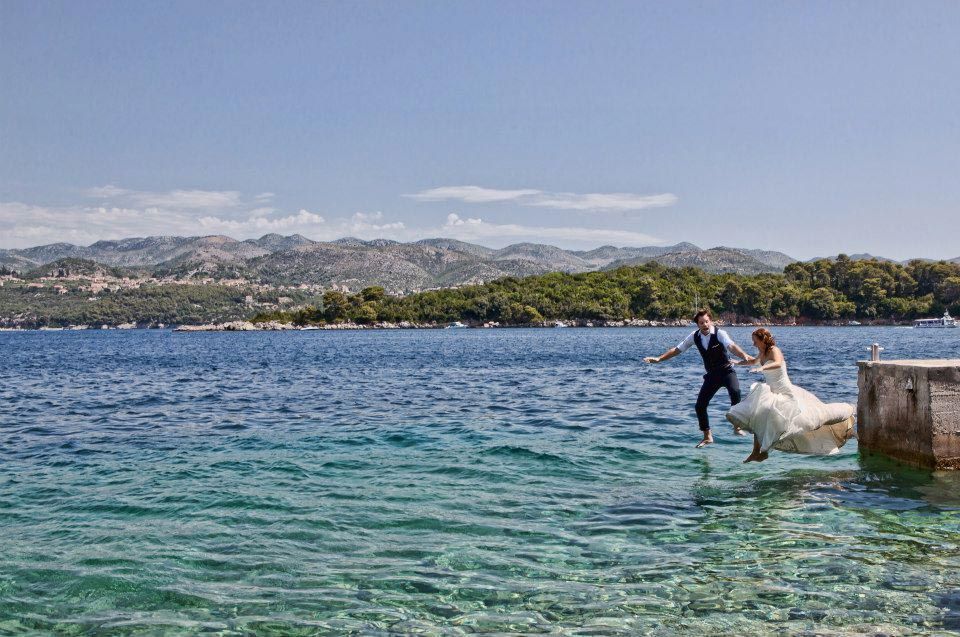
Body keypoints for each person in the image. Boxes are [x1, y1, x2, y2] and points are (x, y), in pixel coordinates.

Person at [727, 328, 855, 463]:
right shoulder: (762, 352)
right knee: (758, 415)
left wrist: (762, 368)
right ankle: (756, 452)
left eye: (755, 341)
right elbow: (753, 361)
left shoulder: (774, 350)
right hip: (771, 390)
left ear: (763, 340)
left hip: (784, 390)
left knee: (796, 419)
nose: (753, 344)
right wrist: (737, 362)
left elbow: (777, 363)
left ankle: (764, 451)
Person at [644, 309, 752, 448]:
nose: (705, 324)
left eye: (707, 321)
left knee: (735, 392)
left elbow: (731, 346)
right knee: (700, 406)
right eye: (701, 323)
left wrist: (744, 356)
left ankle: (737, 426)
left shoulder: (720, 333)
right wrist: (659, 359)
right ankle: (707, 436)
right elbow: (677, 349)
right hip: (712, 375)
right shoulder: (694, 336)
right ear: (698, 324)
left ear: (710, 321)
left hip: (726, 372)